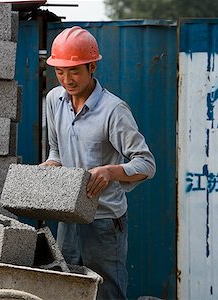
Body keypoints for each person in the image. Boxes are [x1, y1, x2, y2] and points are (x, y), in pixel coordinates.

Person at [41, 26, 156, 299]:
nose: (66, 79)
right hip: (68, 216)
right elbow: (55, 149)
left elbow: (147, 164)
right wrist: (51, 165)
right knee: (68, 290)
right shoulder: (54, 100)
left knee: (106, 293)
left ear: (92, 66)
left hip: (104, 221)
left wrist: (110, 172)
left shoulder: (113, 111)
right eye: (59, 71)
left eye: (74, 71)